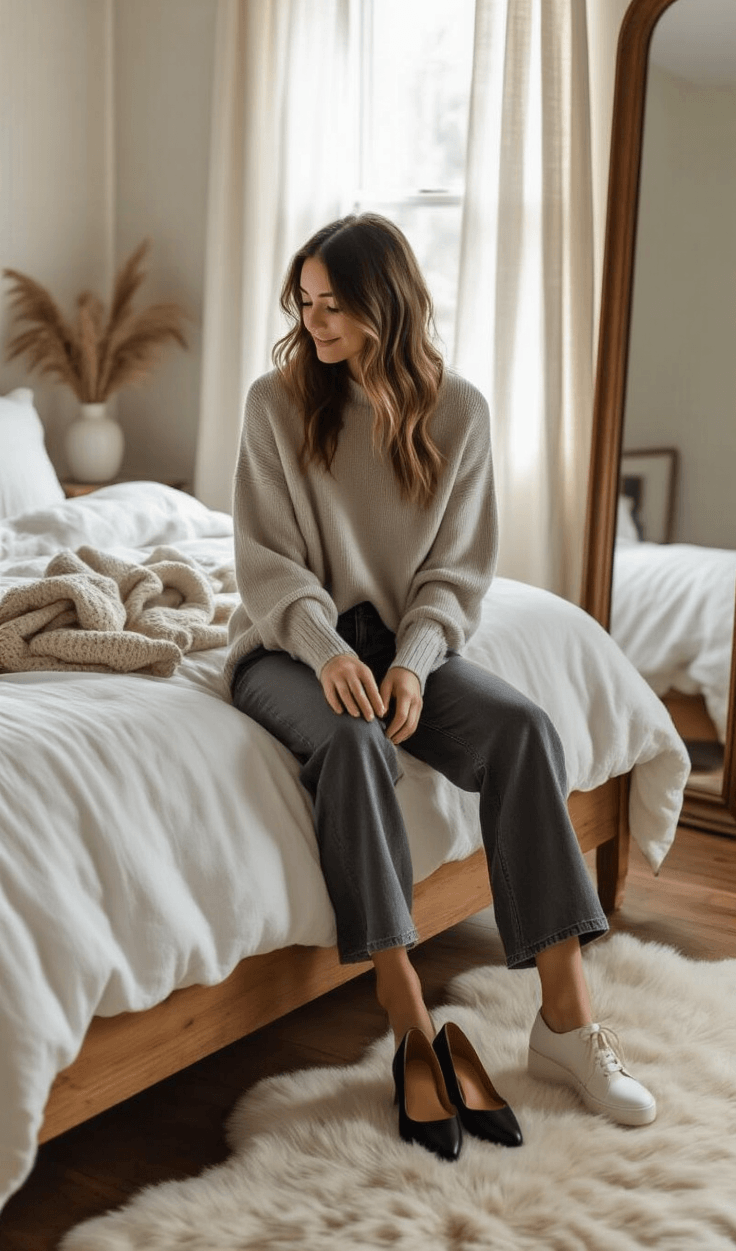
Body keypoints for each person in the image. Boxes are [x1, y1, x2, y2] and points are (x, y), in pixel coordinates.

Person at [226, 213, 656, 1161]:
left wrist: (414, 662)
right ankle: (408, 1012)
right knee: (352, 744)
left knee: (522, 729)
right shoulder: (276, 403)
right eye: (305, 303)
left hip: (401, 645)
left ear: (386, 304)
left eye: (333, 305)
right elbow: (265, 561)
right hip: (287, 649)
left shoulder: (458, 412)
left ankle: (567, 1020)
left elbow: (456, 574)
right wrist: (325, 650)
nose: (313, 322)